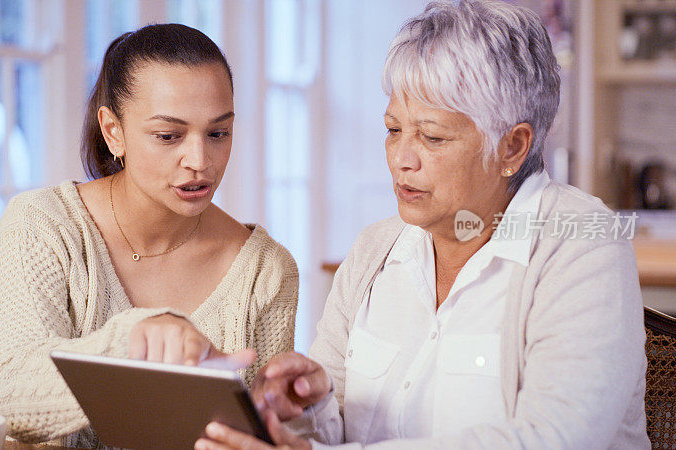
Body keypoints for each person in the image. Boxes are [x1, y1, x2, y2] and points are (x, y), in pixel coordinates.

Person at [196, 1, 649, 449]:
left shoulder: (583, 245)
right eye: (393, 129)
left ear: (512, 147)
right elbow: (329, 431)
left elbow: (553, 439)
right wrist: (309, 408)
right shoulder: (376, 248)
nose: (400, 159)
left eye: (432, 137)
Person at [0, 24, 298, 447]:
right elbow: (9, 397)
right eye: (169, 136)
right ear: (114, 131)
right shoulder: (44, 225)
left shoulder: (265, 271)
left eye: (218, 133)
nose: (200, 160)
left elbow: (267, 433)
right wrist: (134, 338)